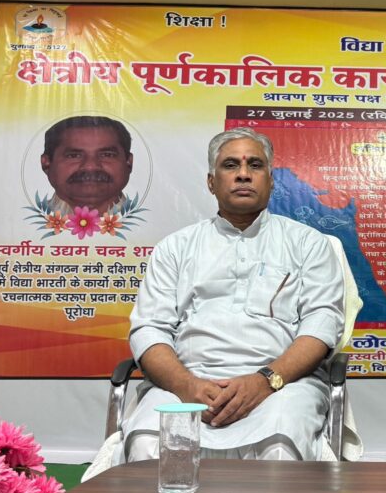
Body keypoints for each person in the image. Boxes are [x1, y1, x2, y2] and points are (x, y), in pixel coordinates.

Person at [124, 127, 345, 461]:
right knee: (146, 446)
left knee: (280, 448)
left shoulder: (308, 244)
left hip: (281, 386)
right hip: (186, 383)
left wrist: (264, 381)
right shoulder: (175, 248)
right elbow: (149, 329)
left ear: (271, 181)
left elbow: (322, 325)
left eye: (255, 165)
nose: (243, 174)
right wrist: (187, 386)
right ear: (211, 182)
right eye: (230, 165)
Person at [40, 115, 133, 215]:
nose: (90, 166)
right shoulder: (28, 221)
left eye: (107, 155)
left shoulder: (145, 221)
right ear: (46, 163)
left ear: (129, 162)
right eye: (74, 156)